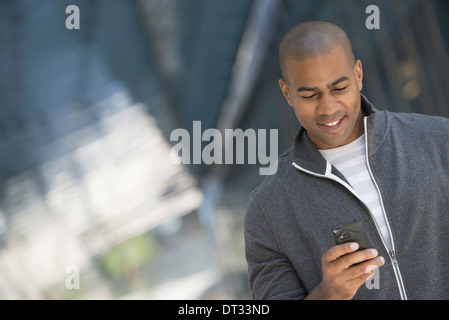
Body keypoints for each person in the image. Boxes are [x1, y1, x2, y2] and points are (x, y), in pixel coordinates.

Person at [244, 20, 449, 300]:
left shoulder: (438, 141)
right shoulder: (267, 211)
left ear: (358, 74)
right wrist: (329, 293)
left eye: (339, 88)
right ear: (287, 93)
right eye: (310, 95)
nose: (328, 108)